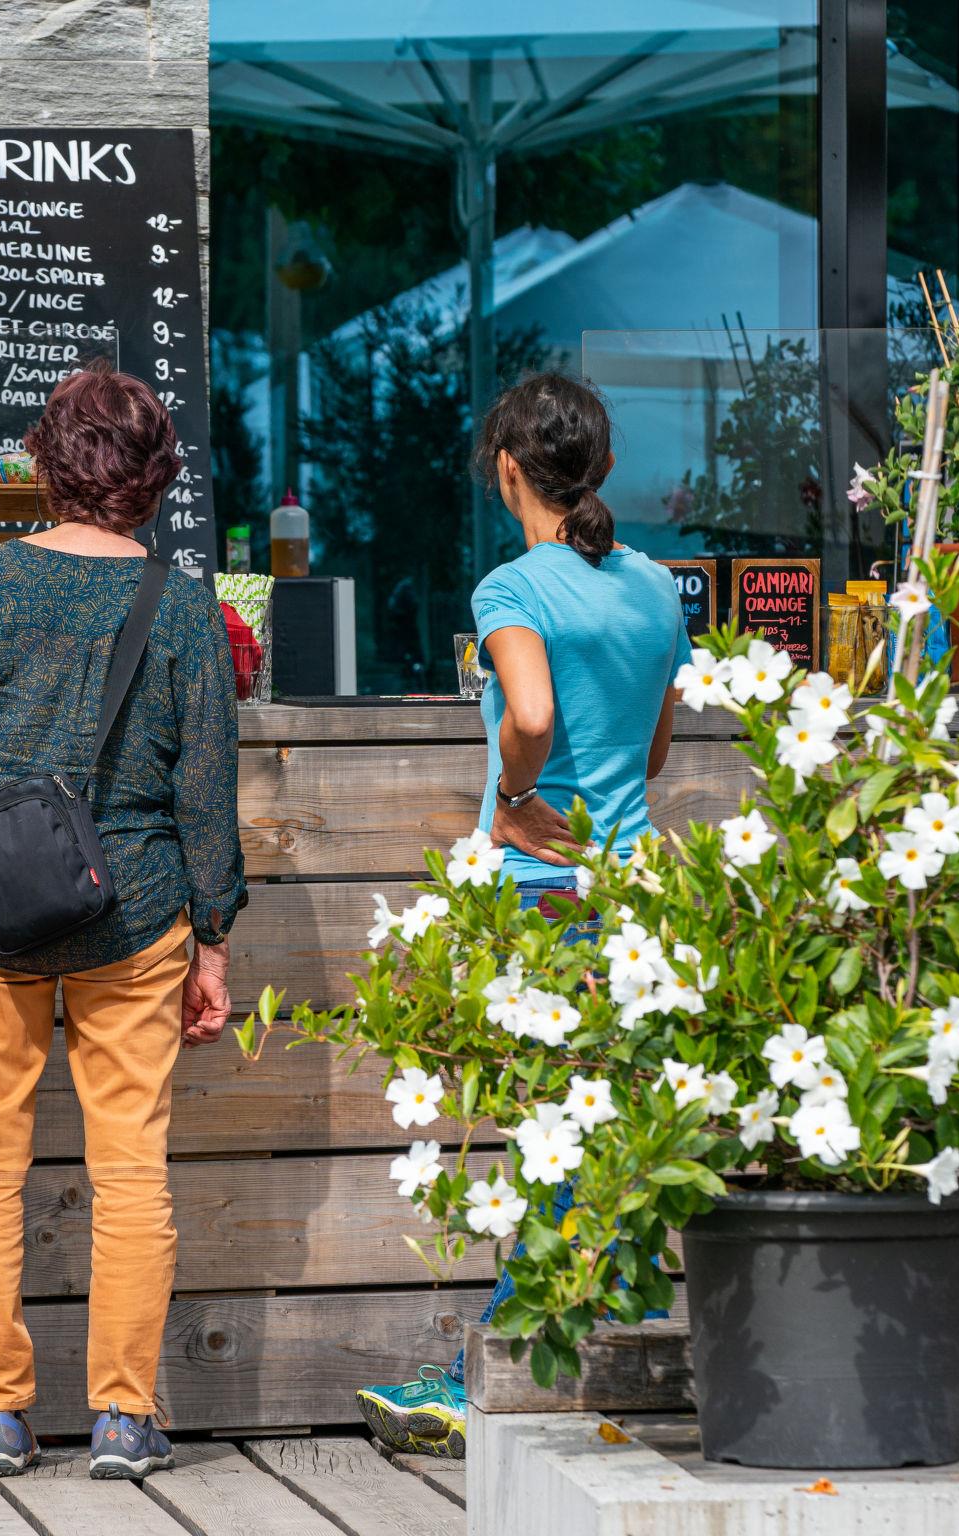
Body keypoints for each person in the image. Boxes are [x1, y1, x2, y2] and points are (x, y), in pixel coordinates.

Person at [0, 360, 245, 1482]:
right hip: (132, 915)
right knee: (131, 1171)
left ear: (48, 462)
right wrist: (213, 938)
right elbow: (205, 787)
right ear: (153, 479)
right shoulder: (181, 603)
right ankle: (122, 1419)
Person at [357, 374, 685, 1460]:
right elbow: (651, 754)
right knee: (611, 1134)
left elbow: (533, 713)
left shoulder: (511, 588)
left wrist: (516, 794)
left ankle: (485, 1377)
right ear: (600, 465)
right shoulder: (656, 589)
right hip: (635, 894)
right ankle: (606, 1361)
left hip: (543, 898)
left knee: (553, 1138)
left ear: (506, 470)